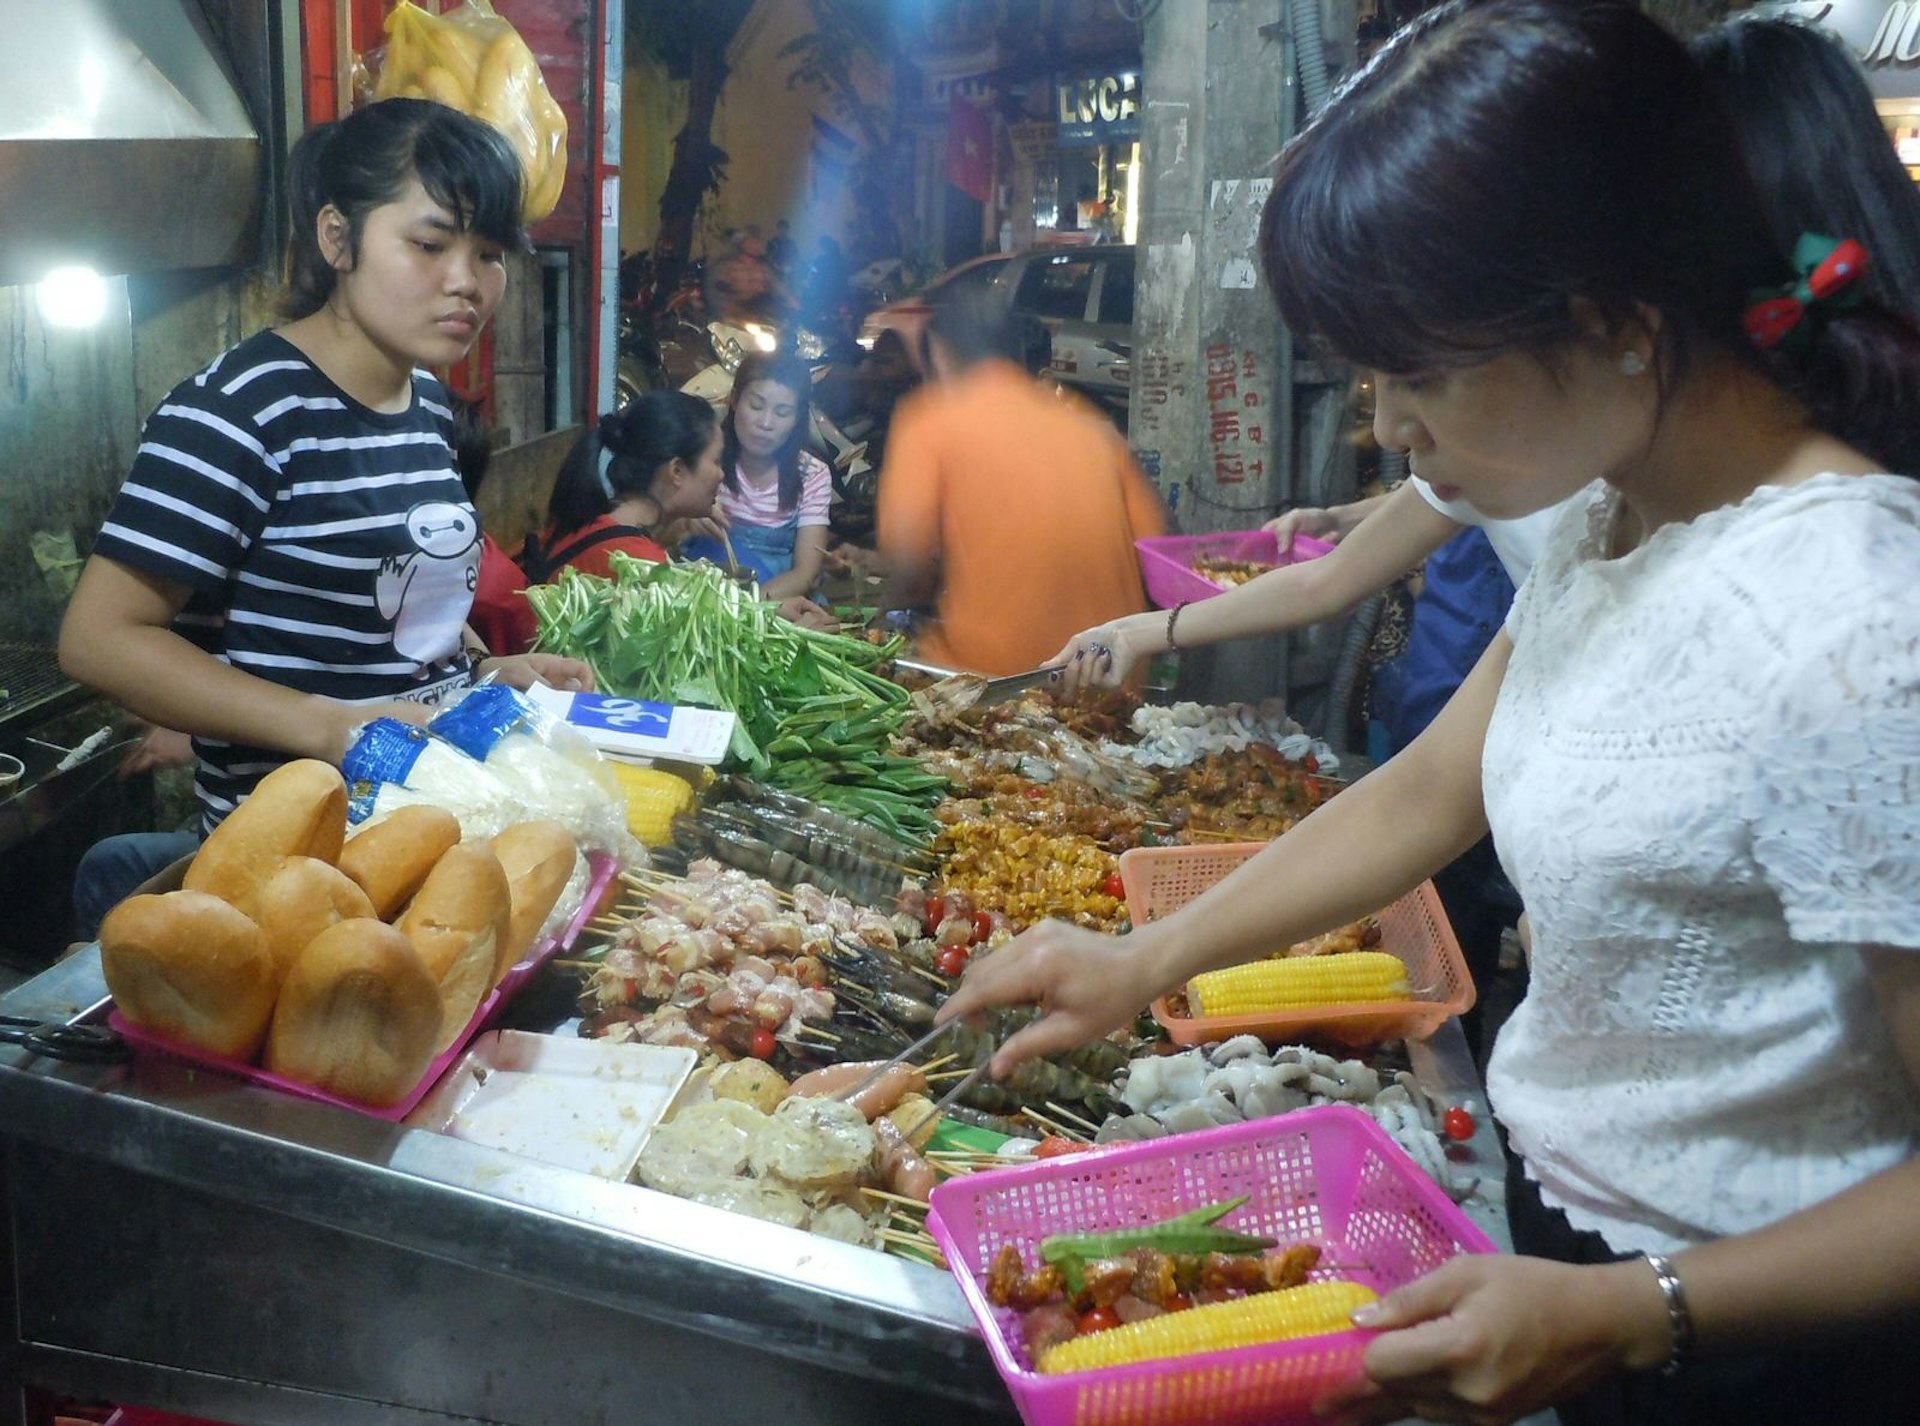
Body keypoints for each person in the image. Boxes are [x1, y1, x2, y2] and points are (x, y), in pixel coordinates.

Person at [940, 4, 1920, 1423]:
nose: (1386, 429)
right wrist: (1140, 956)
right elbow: (1427, 790)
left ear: (1612, 323)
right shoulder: (1614, 512)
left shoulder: (1855, 629)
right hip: (1573, 1246)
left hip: (1765, 1340)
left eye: (1415, 371)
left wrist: (1640, 1313)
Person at [60, 99, 591, 939]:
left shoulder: (426, 405)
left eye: (489, 253)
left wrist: (488, 677)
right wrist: (329, 727)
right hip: (291, 877)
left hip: (420, 839)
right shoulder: (239, 413)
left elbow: (386, 636)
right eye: (429, 244)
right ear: (337, 239)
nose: (469, 282)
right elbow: (99, 638)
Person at [876, 291, 1167, 675]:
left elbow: (908, 566)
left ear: (942, 356)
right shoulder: (1090, 426)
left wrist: (880, 624)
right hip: (1108, 676)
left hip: (998, 679)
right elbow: (1159, 552)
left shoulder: (930, 420)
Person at [518, 390, 726, 579]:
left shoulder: (597, 517)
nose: (721, 474)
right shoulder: (640, 567)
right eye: (716, 461)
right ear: (677, 471)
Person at [679, 351, 834, 599]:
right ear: (734, 400)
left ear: (797, 418)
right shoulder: (706, 459)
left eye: (782, 412)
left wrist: (747, 610)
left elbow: (806, 572)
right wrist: (686, 521)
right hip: (701, 595)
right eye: (756, 405)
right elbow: (659, 528)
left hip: (773, 600)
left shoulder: (812, 474)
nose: (765, 422)